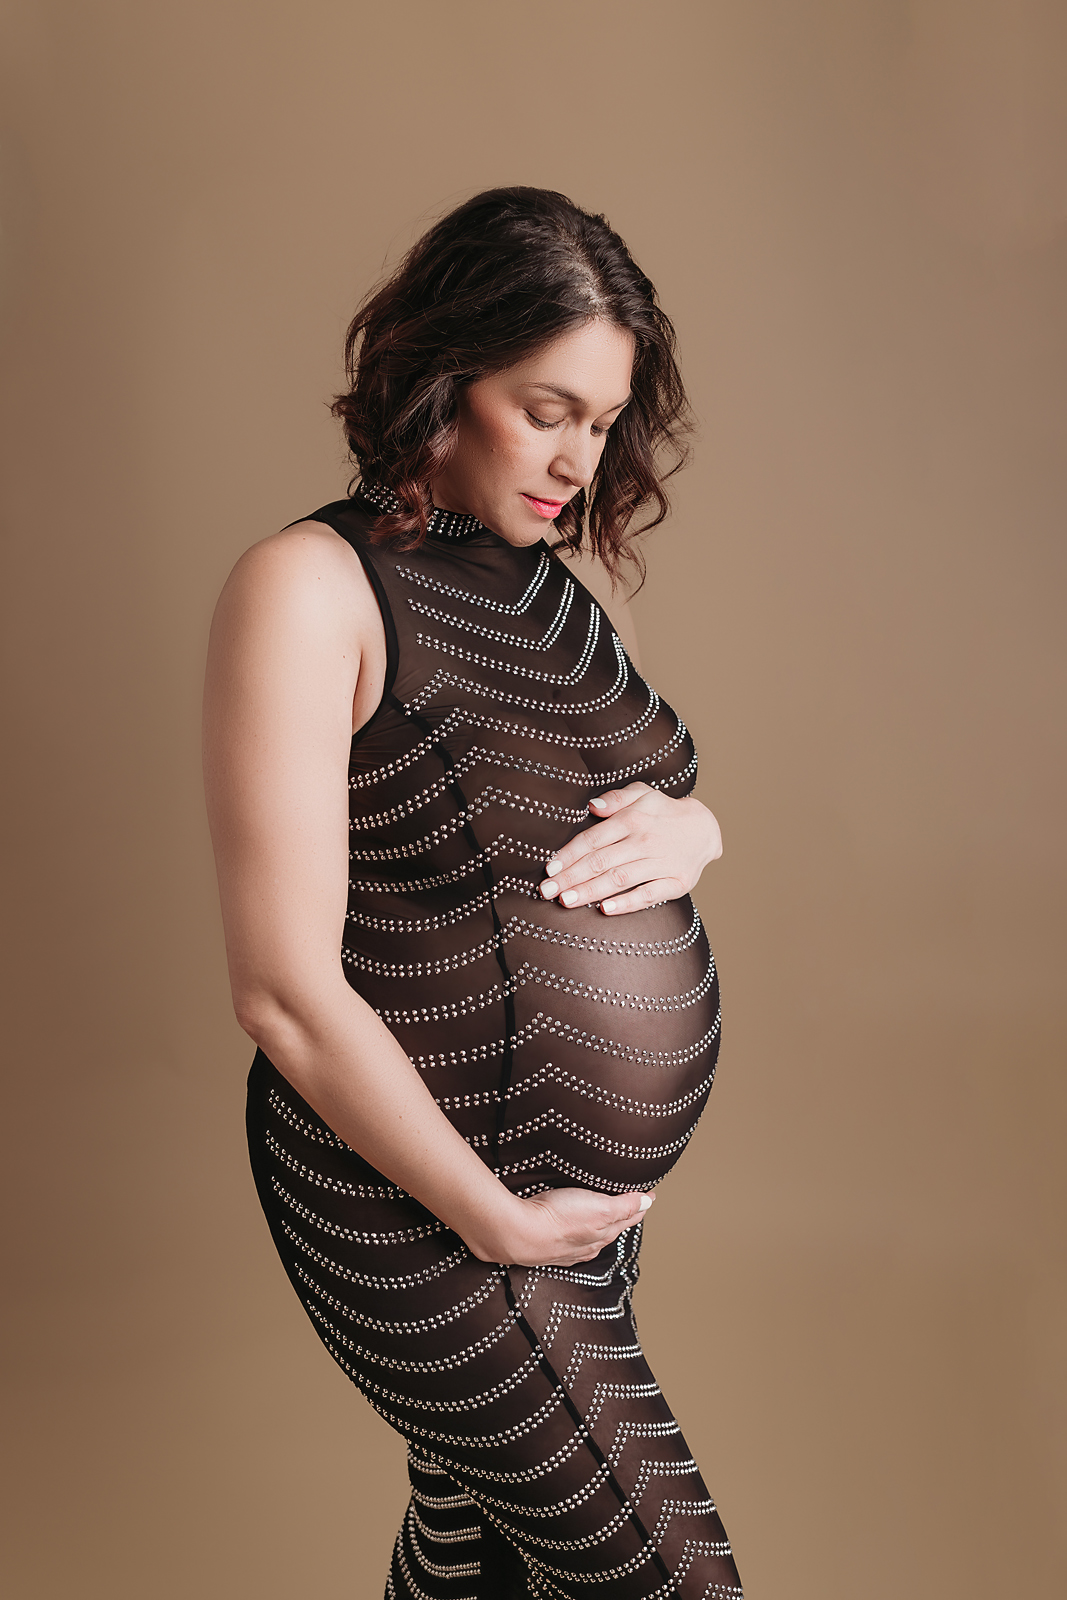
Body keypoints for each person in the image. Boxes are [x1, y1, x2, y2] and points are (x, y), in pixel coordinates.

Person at [203, 186, 743, 1599]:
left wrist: (698, 835)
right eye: (548, 407)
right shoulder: (307, 589)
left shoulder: (551, 589)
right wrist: (492, 1219)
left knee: (478, 1562)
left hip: (570, 1201)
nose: (581, 457)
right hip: (414, 1197)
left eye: (608, 421)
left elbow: (634, 796)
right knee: (669, 1580)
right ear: (444, 375)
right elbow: (281, 990)